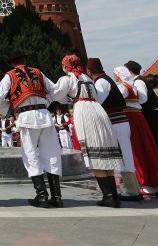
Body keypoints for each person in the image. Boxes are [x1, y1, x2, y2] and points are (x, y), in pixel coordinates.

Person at [0, 51, 62, 208]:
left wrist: (9, 110)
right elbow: (55, 90)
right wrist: (45, 102)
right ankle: (57, 197)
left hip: (26, 117)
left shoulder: (10, 75)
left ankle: (42, 196)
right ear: (25, 60)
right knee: (51, 155)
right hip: (45, 115)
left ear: (12, 63)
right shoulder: (38, 72)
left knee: (30, 155)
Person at [53, 55, 123, 208]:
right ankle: (113, 196)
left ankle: (108, 197)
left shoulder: (68, 79)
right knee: (104, 151)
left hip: (84, 111)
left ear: (66, 66)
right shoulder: (87, 78)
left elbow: (55, 94)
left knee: (94, 153)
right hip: (98, 110)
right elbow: (96, 95)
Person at [86, 58, 141, 201]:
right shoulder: (106, 80)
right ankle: (132, 189)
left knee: (124, 156)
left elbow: (98, 102)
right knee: (124, 155)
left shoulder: (101, 82)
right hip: (119, 121)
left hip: (116, 122)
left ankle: (133, 191)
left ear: (89, 71)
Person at [112, 66, 158, 196]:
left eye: (115, 74)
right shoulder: (133, 86)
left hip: (130, 118)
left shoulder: (122, 87)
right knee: (146, 148)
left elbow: (114, 100)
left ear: (119, 75)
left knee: (137, 150)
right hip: (139, 118)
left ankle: (146, 181)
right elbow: (141, 99)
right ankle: (152, 180)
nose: (114, 76)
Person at [124, 61, 158, 145]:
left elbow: (143, 99)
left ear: (130, 71)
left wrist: (131, 103)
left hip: (151, 114)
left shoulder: (138, 81)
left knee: (152, 141)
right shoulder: (140, 79)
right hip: (153, 112)